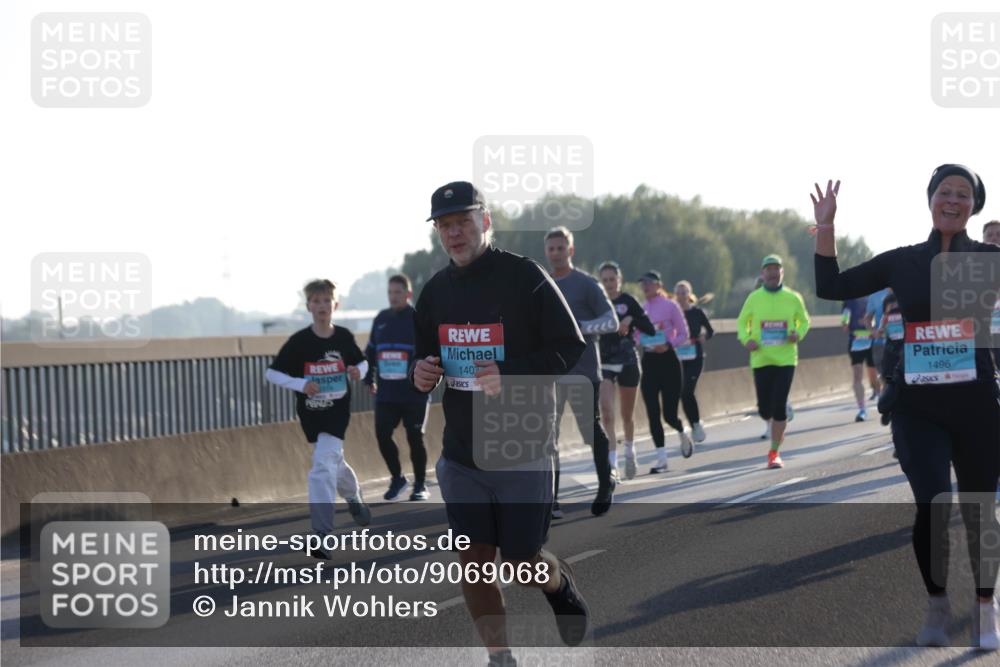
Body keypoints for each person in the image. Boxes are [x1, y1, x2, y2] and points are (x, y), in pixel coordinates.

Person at [812, 165, 1000, 650]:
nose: (953, 200)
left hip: (977, 402)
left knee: (979, 509)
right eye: (945, 191)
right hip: (918, 405)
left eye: (963, 194)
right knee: (932, 504)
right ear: (930, 199)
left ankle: (985, 604)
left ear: (974, 206)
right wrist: (827, 228)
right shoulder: (903, 261)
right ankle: (937, 602)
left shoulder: (990, 258)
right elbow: (831, 287)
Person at [411, 181, 591, 663]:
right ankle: (500, 657)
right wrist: (421, 373)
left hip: (523, 447)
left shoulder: (525, 276)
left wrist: (509, 374)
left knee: (519, 560)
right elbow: (423, 360)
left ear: (485, 222)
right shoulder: (433, 294)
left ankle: (557, 583)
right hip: (463, 453)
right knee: (473, 563)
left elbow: (570, 348)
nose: (454, 234)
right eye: (444, 226)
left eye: (463, 222)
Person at [265, 279, 372, 560]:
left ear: (336, 304)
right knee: (332, 460)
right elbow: (272, 374)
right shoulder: (299, 342)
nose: (322, 306)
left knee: (322, 466)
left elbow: (362, 361)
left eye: (327, 301)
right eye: (316, 301)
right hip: (311, 413)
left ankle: (322, 534)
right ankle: (353, 495)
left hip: (337, 412)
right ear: (308, 306)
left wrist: (358, 371)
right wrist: (301, 385)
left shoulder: (344, 337)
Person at [544, 227, 619, 518]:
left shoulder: (587, 284)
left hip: (584, 370)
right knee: (547, 436)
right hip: (551, 373)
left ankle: (606, 483)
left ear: (570, 250)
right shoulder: (543, 284)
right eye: (551, 249)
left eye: (561, 248)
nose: (555, 253)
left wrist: (578, 328)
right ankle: (551, 501)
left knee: (590, 430)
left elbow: (611, 321)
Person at [736, 255, 811, 469]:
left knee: (778, 407)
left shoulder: (793, 297)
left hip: (786, 358)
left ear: (781, 273)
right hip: (761, 358)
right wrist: (746, 339)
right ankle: (775, 414)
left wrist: (798, 333)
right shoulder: (754, 298)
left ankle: (774, 452)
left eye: (776, 269)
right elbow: (742, 323)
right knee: (763, 409)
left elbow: (804, 321)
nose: (772, 273)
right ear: (762, 274)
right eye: (768, 270)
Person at [364, 273, 431, 501]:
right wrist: (368, 377)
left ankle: (420, 485)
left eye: (398, 292)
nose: (393, 297)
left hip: (414, 393)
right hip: (387, 393)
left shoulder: (418, 318)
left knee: (415, 437)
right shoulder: (381, 319)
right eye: (390, 293)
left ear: (408, 294)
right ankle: (398, 477)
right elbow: (371, 351)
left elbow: (430, 352)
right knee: (382, 435)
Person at [597, 261, 655, 480]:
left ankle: (630, 450)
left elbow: (649, 328)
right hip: (604, 363)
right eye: (605, 280)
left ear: (619, 280)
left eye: (613, 279)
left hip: (628, 361)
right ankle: (612, 464)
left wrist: (632, 318)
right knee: (607, 413)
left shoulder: (628, 301)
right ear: (600, 282)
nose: (609, 284)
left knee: (626, 415)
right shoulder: (596, 301)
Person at [637, 270, 692, 473]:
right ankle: (662, 459)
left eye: (649, 283)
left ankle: (681, 429)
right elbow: (635, 335)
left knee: (669, 414)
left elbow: (684, 333)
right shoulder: (641, 310)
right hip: (649, 362)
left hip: (669, 361)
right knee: (652, 412)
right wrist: (642, 341)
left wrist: (668, 344)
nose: (645, 287)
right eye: (643, 283)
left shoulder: (671, 306)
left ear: (659, 285)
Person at [674, 280, 714, 446]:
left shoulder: (697, 313)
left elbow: (710, 331)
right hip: (677, 358)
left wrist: (704, 336)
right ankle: (694, 424)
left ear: (689, 295)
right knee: (683, 393)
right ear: (675, 295)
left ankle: (696, 424)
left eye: (685, 292)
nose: (682, 296)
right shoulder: (673, 313)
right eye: (679, 293)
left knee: (688, 389)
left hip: (695, 357)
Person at [842, 295, 880, 421]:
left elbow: (878, 314)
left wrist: (874, 328)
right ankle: (862, 409)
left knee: (874, 373)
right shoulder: (849, 299)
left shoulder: (873, 297)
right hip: (856, 341)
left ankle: (879, 393)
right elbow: (845, 316)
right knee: (857, 375)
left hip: (872, 340)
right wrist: (845, 322)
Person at [865, 287, 892, 396]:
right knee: (885, 376)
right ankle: (888, 403)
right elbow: (868, 319)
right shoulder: (874, 295)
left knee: (895, 376)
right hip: (880, 344)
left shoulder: (900, 288)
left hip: (898, 343)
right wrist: (873, 331)